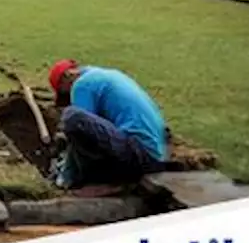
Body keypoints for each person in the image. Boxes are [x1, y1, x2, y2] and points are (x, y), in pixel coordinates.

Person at [47, 60, 168, 190]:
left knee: (72, 116)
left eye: (64, 91)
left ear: (67, 76)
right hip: (155, 156)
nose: (69, 96)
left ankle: (94, 180)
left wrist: (64, 178)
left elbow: (79, 135)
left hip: (139, 153)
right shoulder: (107, 76)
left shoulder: (82, 85)